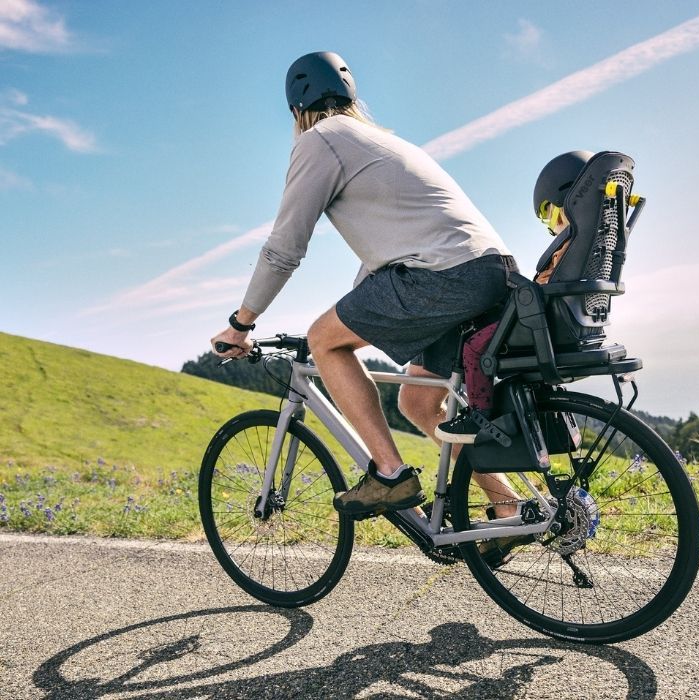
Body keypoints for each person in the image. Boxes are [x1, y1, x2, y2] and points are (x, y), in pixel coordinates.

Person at [211, 51, 519, 518]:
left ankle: (390, 474)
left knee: (323, 341)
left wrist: (241, 322)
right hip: (489, 272)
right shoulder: (380, 141)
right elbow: (384, 257)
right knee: (418, 402)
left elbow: (284, 247)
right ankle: (507, 507)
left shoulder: (320, 140)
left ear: (296, 110)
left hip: (443, 276)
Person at [434, 151, 594, 444]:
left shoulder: (572, 240)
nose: (549, 225)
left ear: (566, 204)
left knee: (475, 348)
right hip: (572, 322)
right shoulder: (593, 241)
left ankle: (479, 415)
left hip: (544, 321)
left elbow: (546, 284)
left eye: (548, 213)